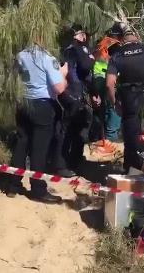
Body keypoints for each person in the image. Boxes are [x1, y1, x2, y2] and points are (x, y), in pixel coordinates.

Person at [7, 34, 68, 203]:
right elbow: (59, 88)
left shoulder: (20, 55)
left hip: (23, 105)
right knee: (39, 150)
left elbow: (13, 81)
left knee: (21, 144)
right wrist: (63, 73)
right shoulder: (47, 58)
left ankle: (13, 185)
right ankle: (38, 190)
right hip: (42, 106)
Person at [105, 28, 144, 173]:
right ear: (138, 37)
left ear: (123, 40)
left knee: (131, 139)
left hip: (129, 100)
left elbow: (109, 83)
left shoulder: (117, 55)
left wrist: (114, 103)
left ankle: (132, 171)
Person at [53, 24, 96, 176]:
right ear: (80, 35)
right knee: (71, 130)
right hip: (74, 94)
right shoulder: (78, 48)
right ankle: (63, 164)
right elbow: (85, 67)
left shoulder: (65, 49)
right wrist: (92, 59)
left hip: (69, 93)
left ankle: (72, 160)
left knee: (73, 129)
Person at [89, 22, 124, 154]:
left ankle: (98, 142)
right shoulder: (116, 46)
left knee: (101, 115)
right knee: (113, 115)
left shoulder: (101, 45)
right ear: (120, 36)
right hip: (109, 82)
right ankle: (110, 147)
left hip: (97, 81)